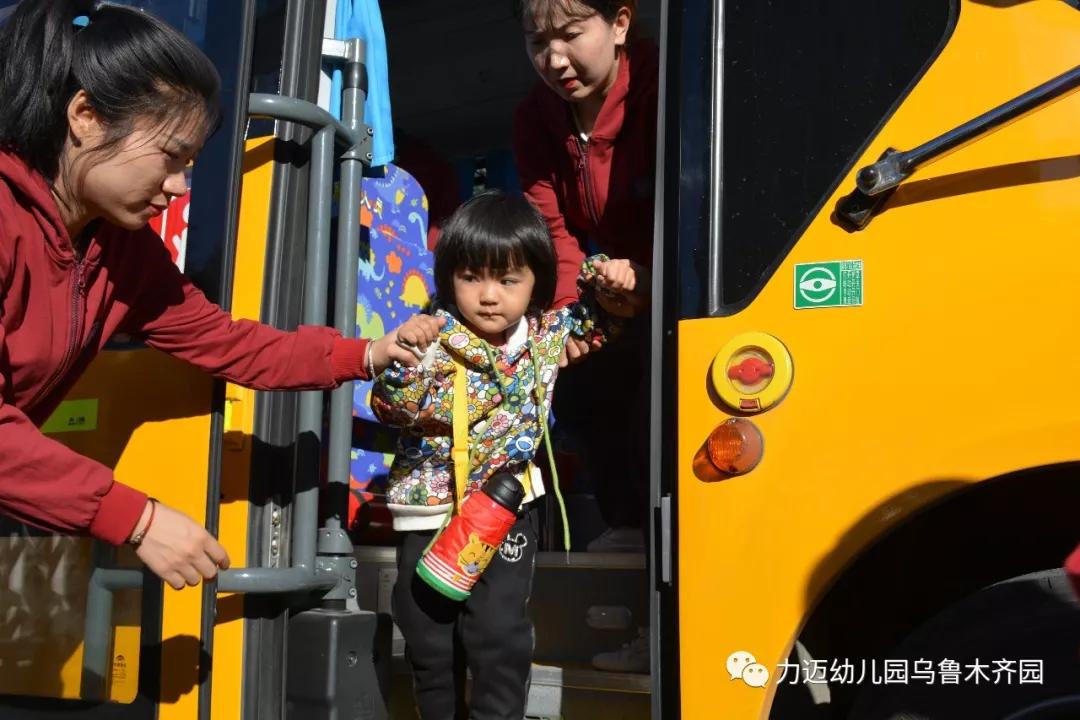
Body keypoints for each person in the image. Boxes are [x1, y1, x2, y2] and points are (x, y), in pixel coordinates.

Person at [0, 0, 442, 591]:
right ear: (86, 116)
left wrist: (362, 356)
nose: (180, 187)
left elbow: (230, 343)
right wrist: (138, 519)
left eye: (190, 164)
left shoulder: (119, 253)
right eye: (170, 157)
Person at [370, 191, 645, 719]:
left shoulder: (546, 336)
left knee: (499, 633)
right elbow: (392, 408)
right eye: (471, 277)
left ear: (537, 281)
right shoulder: (431, 337)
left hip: (507, 510)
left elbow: (605, 318)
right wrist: (403, 358)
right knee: (428, 635)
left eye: (508, 279)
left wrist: (606, 276)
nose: (489, 295)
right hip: (429, 511)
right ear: (450, 278)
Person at [513, 0, 658, 672]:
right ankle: (627, 533)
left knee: (653, 401)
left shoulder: (666, 91)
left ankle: (664, 607)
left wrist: (650, 279)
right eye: (538, 41)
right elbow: (554, 231)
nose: (555, 60)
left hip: (673, 280)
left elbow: (694, 203)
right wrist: (566, 312)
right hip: (606, 286)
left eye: (571, 35)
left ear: (621, 24)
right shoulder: (534, 121)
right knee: (575, 374)